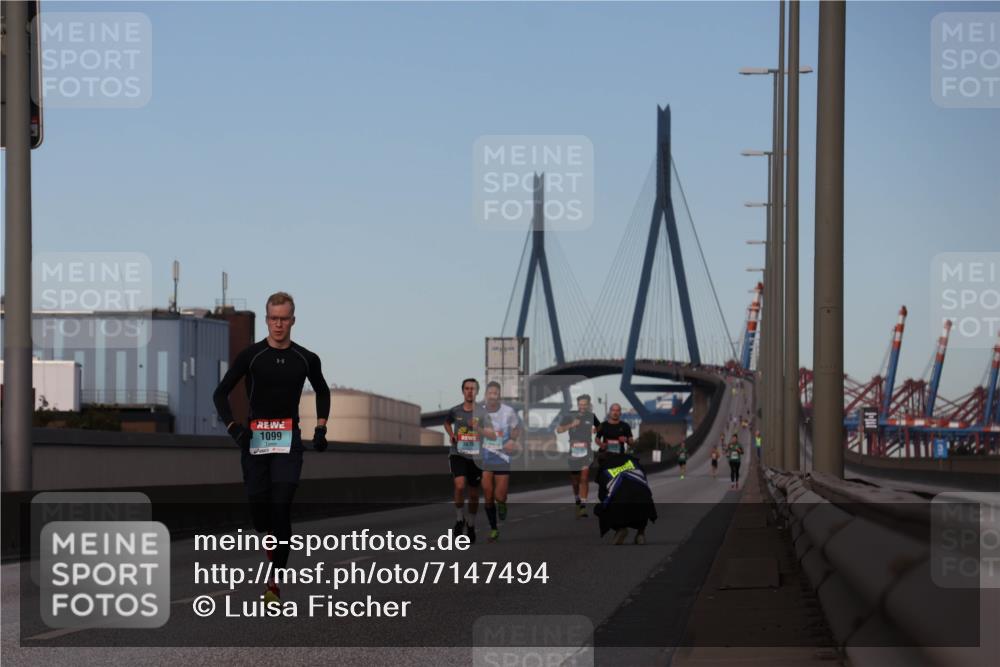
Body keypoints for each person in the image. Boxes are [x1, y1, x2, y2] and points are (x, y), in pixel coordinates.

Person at [213, 291, 330, 604]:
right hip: (255, 440)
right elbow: (220, 394)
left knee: (281, 507)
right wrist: (233, 428)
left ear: (293, 320)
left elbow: (322, 390)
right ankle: (269, 538)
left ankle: (273, 584)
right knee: (259, 511)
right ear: (267, 320)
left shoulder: (306, 358)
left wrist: (320, 428)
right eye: (273, 318)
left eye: (284, 318)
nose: (279, 324)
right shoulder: (251, 356)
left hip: (288, 440)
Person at [443, 378, 496, 544]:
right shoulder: (455, 411)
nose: (470, 391)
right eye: (467, 388)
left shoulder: (482, 413)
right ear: (463, 391)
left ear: (477, 391)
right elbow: (446, 422)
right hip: (458, 454)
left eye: (473, 389)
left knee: (473, 495)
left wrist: (478, 428)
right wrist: (451, 434)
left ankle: (471, 524)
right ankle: (460, 519)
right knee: (459, 485)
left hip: (476, 457)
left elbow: (493, 434)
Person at [480, 381, 522, 542]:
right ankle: (493, 528)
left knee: (499, 496)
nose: (492, 396)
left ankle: (503, 504)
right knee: (488, 496)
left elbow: (516, 427)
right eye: (490, 393)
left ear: (499, 396)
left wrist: (512, 439)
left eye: (495, 393)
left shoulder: (508, 412)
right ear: (486, 396)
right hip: (485, 459)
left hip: (503, 458)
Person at [594, 451, 657, 545]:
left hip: (622, 506)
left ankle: (620, 528)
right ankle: (641, 534)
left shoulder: (604, 470)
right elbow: (645, 485)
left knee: (599, 508)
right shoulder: (633, 461)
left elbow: (603, 497)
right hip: (644, 505)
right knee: (643, 499)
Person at [556, 394, 600, 518]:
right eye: (580, 404)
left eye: (585, 405)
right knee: (575, 482)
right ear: (578, 404)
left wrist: (596, 430)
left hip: (587, 451)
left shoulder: (591, 416)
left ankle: (583, 506)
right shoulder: (570, 415)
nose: (582, 407)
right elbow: (559, 430)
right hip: (573, 452)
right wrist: (571, 425)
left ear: (588, 405)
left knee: (584, 478)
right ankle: (577, 500)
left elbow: (600, 426)